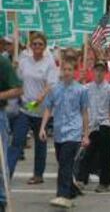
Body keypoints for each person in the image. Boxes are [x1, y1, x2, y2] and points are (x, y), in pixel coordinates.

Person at [8, 32, 59, 184]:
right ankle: (7, 173)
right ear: (30, 45)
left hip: (41, 110)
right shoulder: (24, 61)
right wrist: (13, 68)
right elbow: (17, 81)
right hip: (25, 108)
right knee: (17, 141)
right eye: (34, 44)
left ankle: (38, 174)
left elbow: (51, 84)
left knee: (40, 143)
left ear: (44, 46)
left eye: (40, 44)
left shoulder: (49, 63)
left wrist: (41, 96)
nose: (37, 46)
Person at [39, 59, 90, 208]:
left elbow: (84, 112)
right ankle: (72, 189)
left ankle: (63, 195)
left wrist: (85, 135)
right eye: (64, 69)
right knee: (62, 162)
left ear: (74, 71)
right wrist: (43, 127)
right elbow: (48, 108)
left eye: (70, 69)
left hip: (73, 132)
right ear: (61, 71)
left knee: (65, 164)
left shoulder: (81, 90)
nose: (67, 72)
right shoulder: (55, 89)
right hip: (59, 132)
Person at [76, 60, 110, 192]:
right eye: (97, 70)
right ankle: (81, 179)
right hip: (90, 125)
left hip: (103, 124)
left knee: (105, 155)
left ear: (105, 72)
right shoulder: (86, 87)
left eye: (102, 70)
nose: (99, 73)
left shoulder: (109, 88)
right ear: (93, 71)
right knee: (87, 153)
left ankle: (105, 182)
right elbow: (76, 96)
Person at [0, 55, 23, 211]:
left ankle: (1, 199)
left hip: (1, 114)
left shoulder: (2, 62)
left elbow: (18, 89)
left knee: (0, 162)